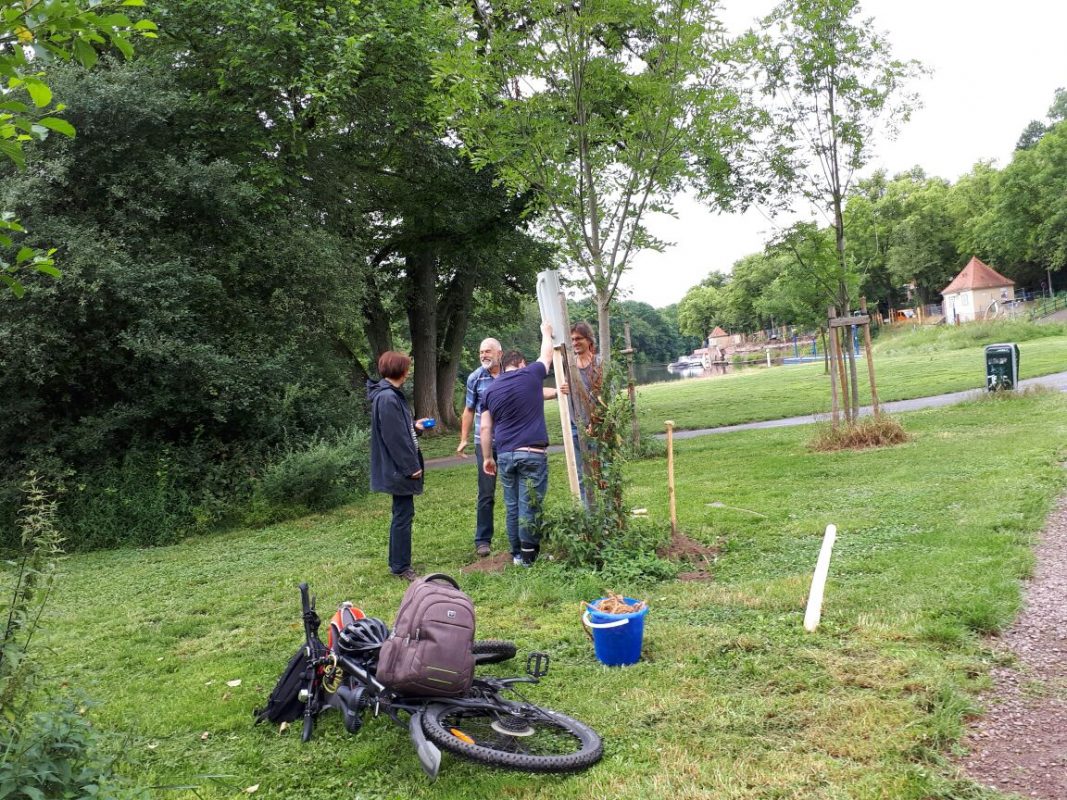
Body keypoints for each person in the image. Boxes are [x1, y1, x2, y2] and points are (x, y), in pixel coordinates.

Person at [481, 322, 554, 566]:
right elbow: (546, 355)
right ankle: (529, 556)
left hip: (504, 455)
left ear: (503, 367)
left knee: (512, 506)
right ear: (521, 364)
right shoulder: (531, 374)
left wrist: (487, 458)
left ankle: (516, 554)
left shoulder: (490, 391)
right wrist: (545, 332)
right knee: (529, 504)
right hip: (531, 453)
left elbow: (485, 428)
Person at [367, 351, 432, 581]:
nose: (409, 371)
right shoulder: (388, 398)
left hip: (399, 466)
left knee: (403, 513)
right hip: (399, 468)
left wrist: (415, 425)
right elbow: (394, 438)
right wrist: (410, 467)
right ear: (400, 370)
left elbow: (400, 429)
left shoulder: (391, 395)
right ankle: (401, 566)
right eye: (407, 367)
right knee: (403, 515)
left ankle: (399, 563)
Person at [456, 338, 503, 557]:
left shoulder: (511, 373)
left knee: (519, 488)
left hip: (510, 440)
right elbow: (468, 410)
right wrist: (463, 438)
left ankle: (523, 535)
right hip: (483, 443)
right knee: (486, 492)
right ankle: (483, 540)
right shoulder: (475, 378)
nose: (484, 355)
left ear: (499, 353)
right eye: (481, 352)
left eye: (488, 351)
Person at [559, 321, 602, 501]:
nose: (575, 342)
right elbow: (563, 390)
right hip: (576, 426)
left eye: (579, 339)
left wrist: (596, 421)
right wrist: (564, 389)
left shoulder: (599, 363)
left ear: (589, 340)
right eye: (572, 339)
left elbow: (607, 394)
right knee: (582, 476)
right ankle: (589, 516)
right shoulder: (567, 365)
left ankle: (608, 516)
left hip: (599, 425)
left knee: (602, 472)